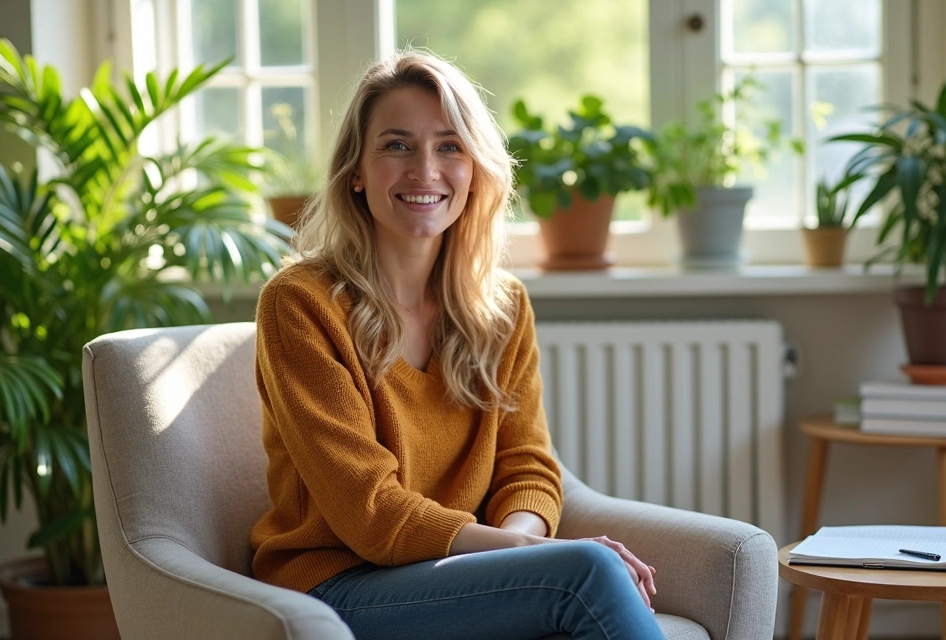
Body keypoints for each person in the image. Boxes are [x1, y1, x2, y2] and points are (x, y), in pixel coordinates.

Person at [249, 49, 663, 640]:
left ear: (475, 170)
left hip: (458, 570)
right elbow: (369, 510)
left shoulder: (502, 307)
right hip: (336, 586)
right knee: (588, 572)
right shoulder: (299, 304)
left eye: (449, 146)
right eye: (396, 145)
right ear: (357, 172)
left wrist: (519, 550)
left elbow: (527, 465)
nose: (425, 170)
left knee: (579, 574)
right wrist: (524, 559)